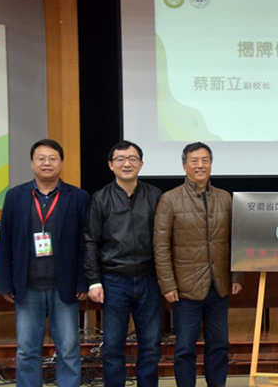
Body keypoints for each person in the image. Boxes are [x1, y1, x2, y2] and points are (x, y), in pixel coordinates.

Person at [0, 139, 89, 387]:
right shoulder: (15, 196)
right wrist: (6, 283)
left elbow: (85, 243)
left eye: (52, 158)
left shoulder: (78, 197)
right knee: (27, 350)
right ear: (32, 163)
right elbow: (5, 242)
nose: (47, 163)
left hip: (65, 287)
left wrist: (83, 281)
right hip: (27, 287)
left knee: (68, 349)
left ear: (61, 163)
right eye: (41, 158)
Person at [153, 142, 243, 387]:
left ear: (211, 164)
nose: (200, 165)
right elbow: (160, 246)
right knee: (185, 348)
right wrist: (167, 284)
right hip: (185, 287)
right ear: (185, 166)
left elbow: (235, 241)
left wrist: (236, 276)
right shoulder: (169, 199)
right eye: (194, 161)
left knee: (219, 345)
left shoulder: (224, 198)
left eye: (205, 160)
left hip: (218, 284)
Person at [83, 140, 163, 387]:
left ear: (141, 164)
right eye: (120, 159)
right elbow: (90, 242)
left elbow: (165, 239)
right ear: (111, 165)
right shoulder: (100, 198)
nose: (126, 164)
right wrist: (94, 281)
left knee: (151, 345)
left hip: (150, 280)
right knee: (113, 347)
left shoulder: (155, 196)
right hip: (114, 281)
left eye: (132, 159)